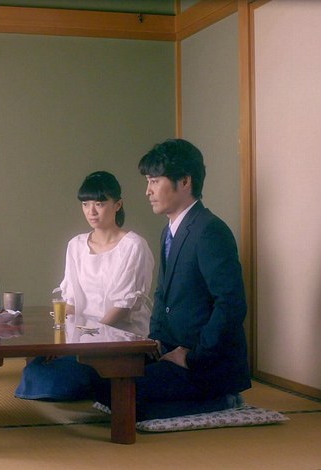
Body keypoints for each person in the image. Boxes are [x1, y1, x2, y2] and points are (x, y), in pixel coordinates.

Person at [98, 138, 251, 421]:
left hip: (202, 362)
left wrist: (192, 357)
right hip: (170, 352)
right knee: (103, 379)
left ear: (184, 181)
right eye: (148, 181)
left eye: (155, 181)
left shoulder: (210, 230)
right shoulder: (169, 230)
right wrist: (154, 343)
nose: (147, 191)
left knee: (123, 395)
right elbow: (162, 294)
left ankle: (221, 399)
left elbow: (231, 305)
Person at [15, 171, 154, 401]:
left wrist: (87, 342)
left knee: (61, 377)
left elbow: (122, 308)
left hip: (119, 340)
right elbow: (70, 302)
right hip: (81, 340)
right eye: (85, 204)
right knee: (38, 364)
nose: (91, 211)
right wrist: (63, 344)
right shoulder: (76, 245)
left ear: (118, 204)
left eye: (99, 204)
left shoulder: (133, 245)